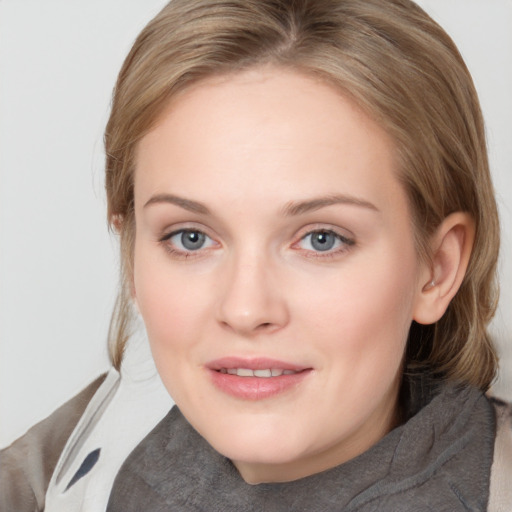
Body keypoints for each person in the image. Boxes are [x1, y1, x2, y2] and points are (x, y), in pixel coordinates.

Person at [1, 0, 511, 510]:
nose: (246, 309)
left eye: (321, 239)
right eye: (190, 237)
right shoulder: (79, 457)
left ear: (438, 270)